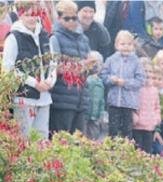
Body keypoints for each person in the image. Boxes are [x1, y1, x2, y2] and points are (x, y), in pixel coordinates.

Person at [1, 1, 56, 139]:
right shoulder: (14, 37)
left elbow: (53, 62)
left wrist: (50, 81)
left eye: (34, 14)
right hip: (24, 98)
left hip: (45, 97)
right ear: (20, 15)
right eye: (27, 15)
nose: (32, 18)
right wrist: (34, 83)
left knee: (42, 139)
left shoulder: (45, 35)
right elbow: (8, 69)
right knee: (24, 138)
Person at [49, 0, 91, 135]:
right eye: (67, 18)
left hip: (80, 99)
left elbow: (88, 67)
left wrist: (92, 66)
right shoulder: (55, 38)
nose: (72, 21)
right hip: (61, 100)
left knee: (78, 145)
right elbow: (55, 67)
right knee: (60, 143)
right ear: (59, 18)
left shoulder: (83, 39)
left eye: (74, 18)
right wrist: (80, 66)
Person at [101, 30, 145, 139]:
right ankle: (111, 150)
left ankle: (126, 150)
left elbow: (140, 80)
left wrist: (125, 83)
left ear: (133, 46)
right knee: (113, 128)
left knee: (127, 129)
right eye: (123, 44)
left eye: (129, 44)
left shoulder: (136, 62)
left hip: (129, 102)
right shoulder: (111, 60)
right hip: (114, 101)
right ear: (116, 45)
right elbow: (103, 75)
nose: (126, 47)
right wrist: (112, 80)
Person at [132, 64, 161, 154]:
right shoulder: (136, 89)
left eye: (150, 72)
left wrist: (156, 118)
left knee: (148, 149)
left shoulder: (155, 90)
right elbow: (131, 105)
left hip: (150, 126)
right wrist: (135, 117)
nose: (148, 75)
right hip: (137, 126)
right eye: (145, 72)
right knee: (137, 149)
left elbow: (157, 106)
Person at [83, 50, 105, 140]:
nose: (95, 66)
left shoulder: (100, 82)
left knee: (93, 139)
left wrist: (101, 114)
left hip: (95, 116)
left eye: (98, 63)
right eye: (93, 63)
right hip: (85, 114)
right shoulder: (86, 80)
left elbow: (102, 101)